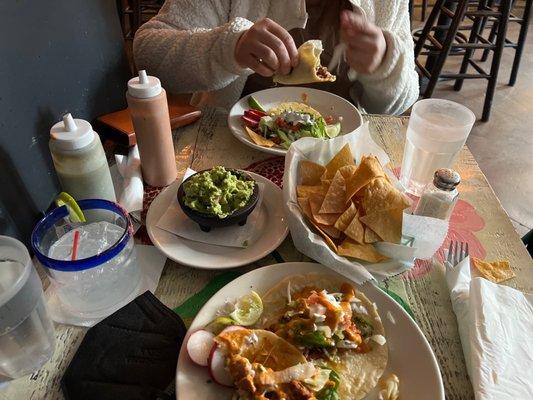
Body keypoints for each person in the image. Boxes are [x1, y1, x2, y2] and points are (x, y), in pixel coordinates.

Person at [133, 0, 418, 115]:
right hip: (232, 156)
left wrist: (386, 65)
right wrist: (229, 47)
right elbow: (147, 52)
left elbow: (403, 101)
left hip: (342, 160)